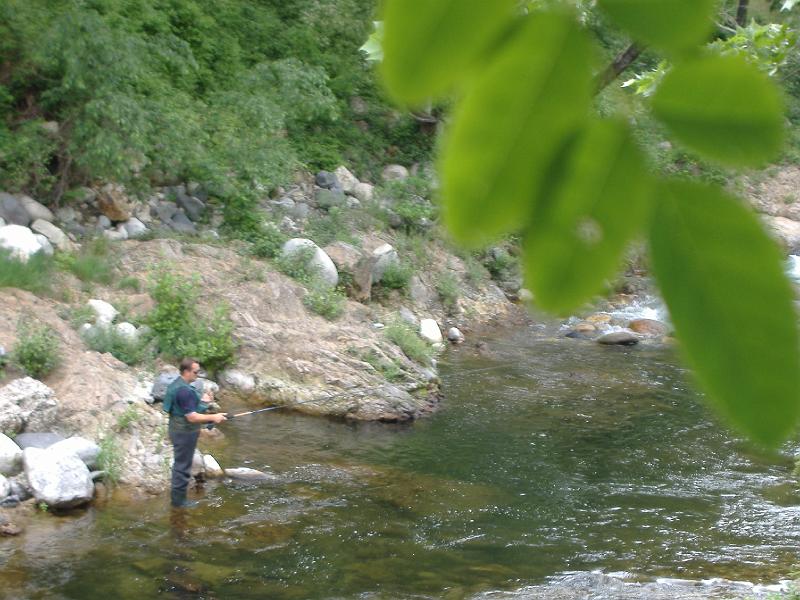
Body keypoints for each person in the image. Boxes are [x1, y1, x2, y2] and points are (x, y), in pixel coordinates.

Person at [164, 357, 226, 508]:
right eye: (196, 372)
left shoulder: (177, 385)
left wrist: (204, 403)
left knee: (181, 465)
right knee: (182, 467)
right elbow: (191, 417)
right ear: (186, 371)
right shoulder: (184, 391)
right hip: (184, 434)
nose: (198, 375)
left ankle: (177, 501)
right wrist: (214, 417)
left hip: (177, 430)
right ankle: (178, 503)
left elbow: (184, 409)